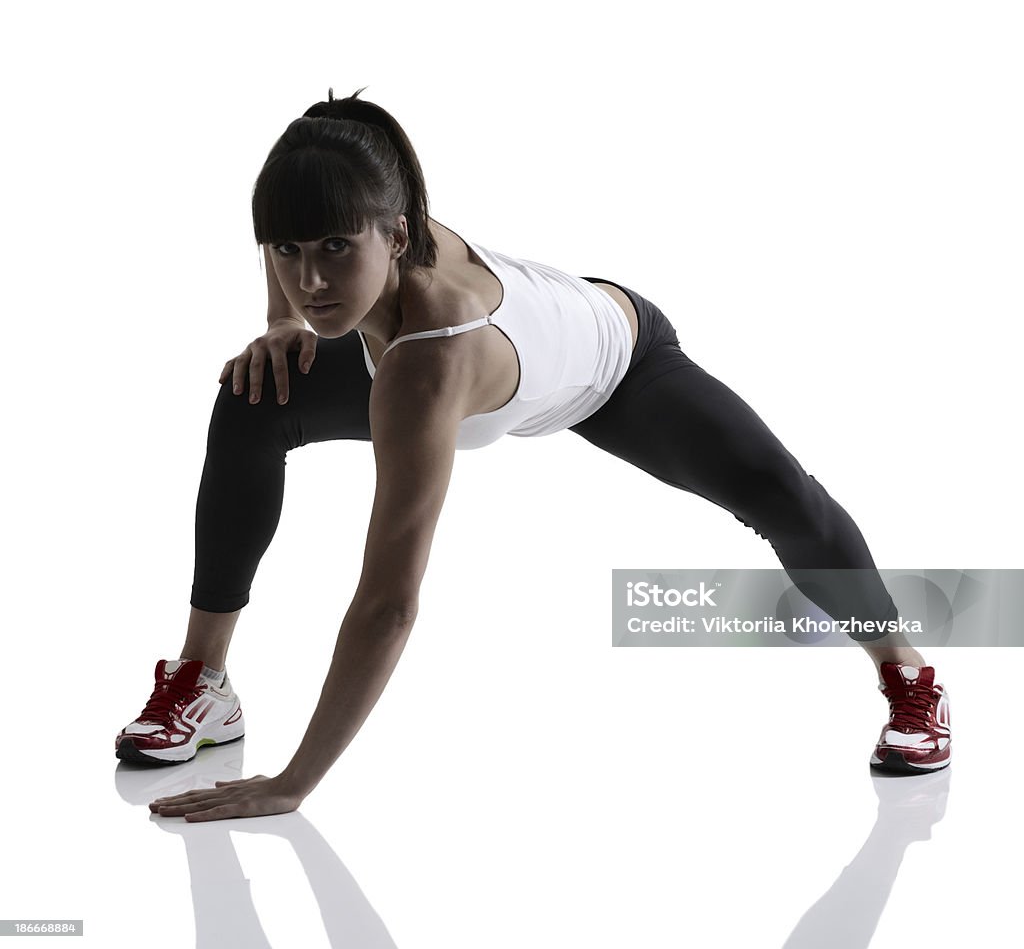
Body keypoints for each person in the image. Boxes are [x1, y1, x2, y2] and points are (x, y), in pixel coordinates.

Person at [119, 88, 951, 823]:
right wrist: (279, 326)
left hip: (616, 367)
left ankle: (907, 676)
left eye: (336, 248)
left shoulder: (425, 364)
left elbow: (390, 605)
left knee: (783, 498)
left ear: (395, 233)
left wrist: (294, 782)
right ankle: (205, 680)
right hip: (494, 363)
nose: (311, 282)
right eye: (288, 255)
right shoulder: (359, 219)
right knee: (252, 396)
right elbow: (293, 229)